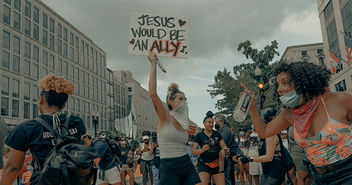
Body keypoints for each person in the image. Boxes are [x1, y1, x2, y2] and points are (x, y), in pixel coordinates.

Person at [242, 61, 352, 185]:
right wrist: (252, 108)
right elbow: (263, 132)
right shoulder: (289, 115)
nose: (279, 89)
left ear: (303, 81)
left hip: (347, 172)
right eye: (278, 85)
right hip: (318, 176)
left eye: (285, 83)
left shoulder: (339, 100)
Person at [0, 74, 86, 185]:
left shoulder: (27, 128)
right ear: (64, 105)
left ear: (41, 99)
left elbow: (13, 167)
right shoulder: (77, 122)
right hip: (74, 181)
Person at [147, 52, 201, 185]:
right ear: (171, 102)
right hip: (169, 167)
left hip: (186, 164)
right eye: (181, 99)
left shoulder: (185, 121)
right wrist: (153, 64)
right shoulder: (165, 117)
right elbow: (153, 94)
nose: (184, 101)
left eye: (185, 99)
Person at [192, 111, 229, 185]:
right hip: (203, 163)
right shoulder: (199, 135)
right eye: (209, 122)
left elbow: (225, 147)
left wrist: (226, 151)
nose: (211, 124)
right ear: (204, 123)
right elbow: (193, 151)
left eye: (212, 123)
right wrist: (202, 150)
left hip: (217, 163)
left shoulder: (217, 134)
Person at [214, 114, 235, 185]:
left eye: (217, 123)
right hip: (224, 157)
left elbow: (221, 142)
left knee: (225, 177)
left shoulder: (225, 130)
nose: (215, 124)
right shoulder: (221, 130)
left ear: (222, 122)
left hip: (226, 157)